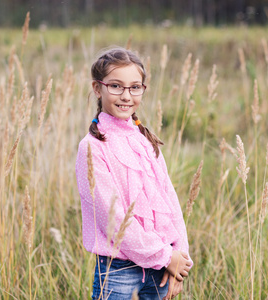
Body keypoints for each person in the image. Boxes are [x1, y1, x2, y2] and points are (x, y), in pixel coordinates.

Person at [75, 47, 192, 300]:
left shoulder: (144, 139)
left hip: (161, 269)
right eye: (116, 86)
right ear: (98, 88)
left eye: (135, 87)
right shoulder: (93, 147)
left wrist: (178, 259)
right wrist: (165, 256)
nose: (126, 96)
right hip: (118, 271)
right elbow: (113, 219)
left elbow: (170, 202)